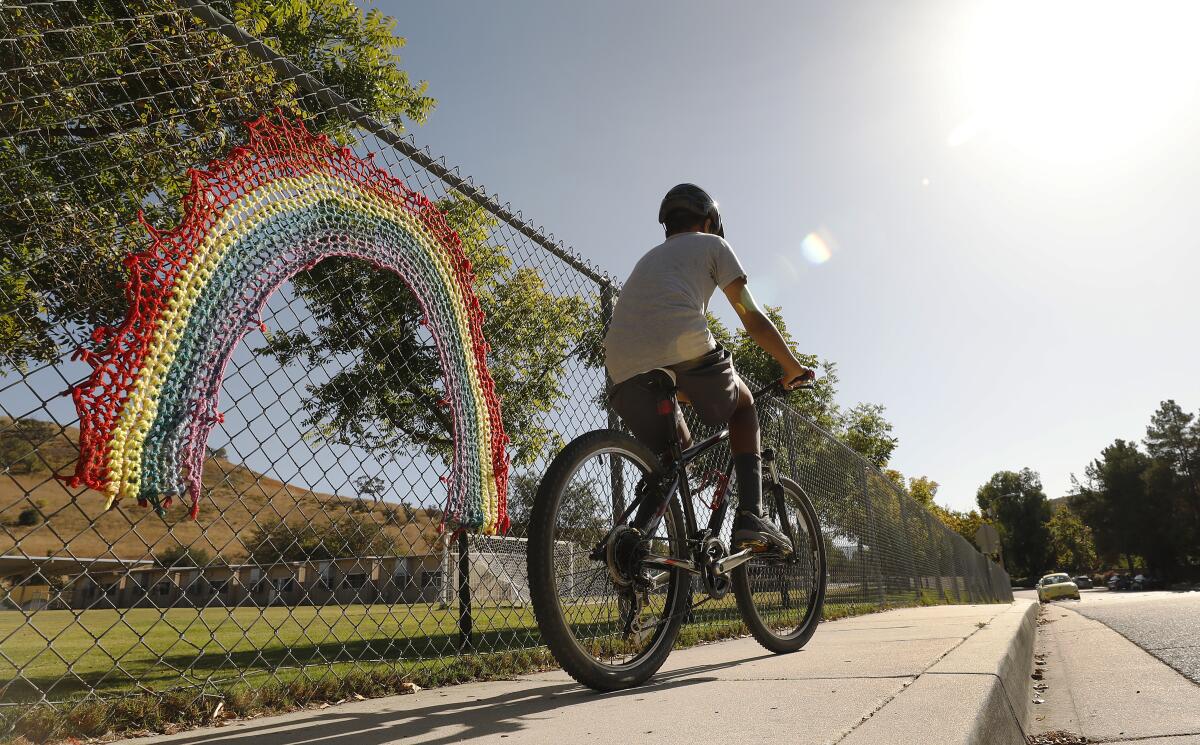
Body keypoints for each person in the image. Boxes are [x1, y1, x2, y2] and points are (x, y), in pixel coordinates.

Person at [603, 183, 815, 552]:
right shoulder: (714, 245)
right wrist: (791, 365)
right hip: (683, 348)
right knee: (744, 404)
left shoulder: (648, 258)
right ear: (709, 221)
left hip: (622, 368)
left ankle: (633, 543)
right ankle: (752, 515)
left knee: (675, 454)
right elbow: (752, 317)